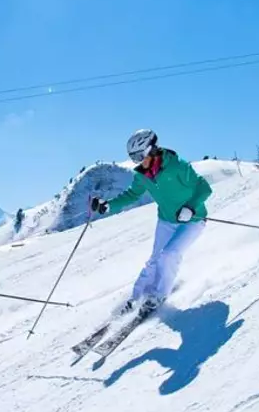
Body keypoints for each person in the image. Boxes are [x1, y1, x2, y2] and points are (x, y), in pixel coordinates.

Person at [90, 128, 212, 314]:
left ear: (151, 149)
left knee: (169, 255)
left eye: (140, 156)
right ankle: (138, 297)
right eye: (134, 158)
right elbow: (132, 194)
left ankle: (159, 295)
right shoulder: (142, 174)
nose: (138, 161)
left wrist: (191, 207)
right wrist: (108, 206)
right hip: (166, 220)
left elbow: (204, 187)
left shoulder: (177, 166)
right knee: (155, 259)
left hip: (193, 220)